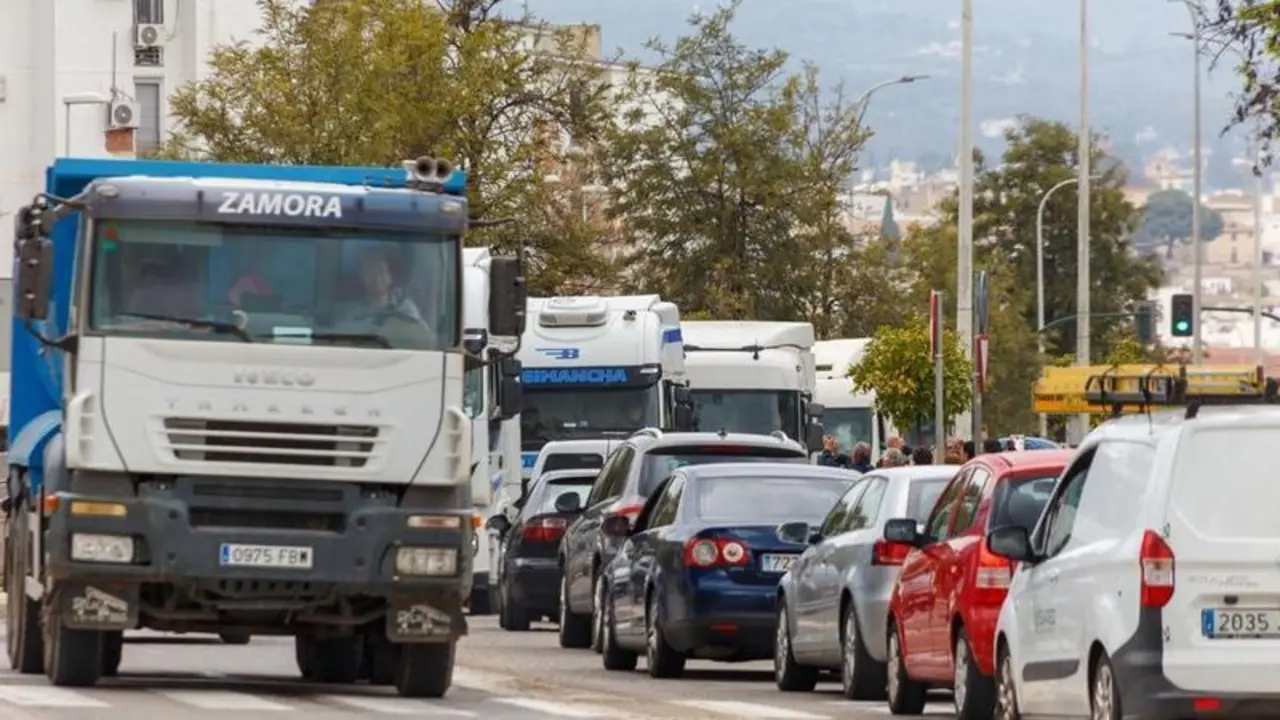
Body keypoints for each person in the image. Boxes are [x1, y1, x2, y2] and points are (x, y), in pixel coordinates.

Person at [342, 250, 426, 326]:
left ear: (390, 275)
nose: (376, 279)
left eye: (381, 271)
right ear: (362, 278)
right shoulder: (355, 314)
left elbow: (424, 336)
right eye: (369, 273)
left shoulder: (406, 308)